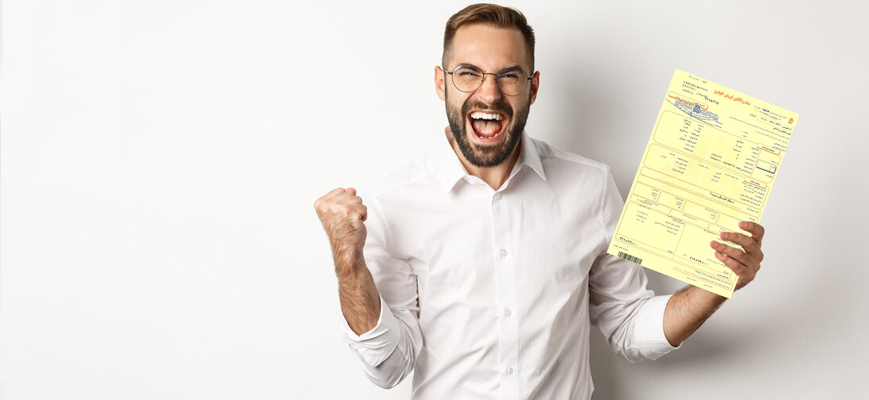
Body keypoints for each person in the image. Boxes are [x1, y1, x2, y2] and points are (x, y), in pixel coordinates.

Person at [313, 4, 765, 399]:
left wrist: (715, 284)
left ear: (532, 87)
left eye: (508, 75)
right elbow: (389, 368)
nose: (488, 93)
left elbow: (628, 326)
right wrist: (348, 262)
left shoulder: (591, 187)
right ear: (440, 82)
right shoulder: (392, 205)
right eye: (468, 72)